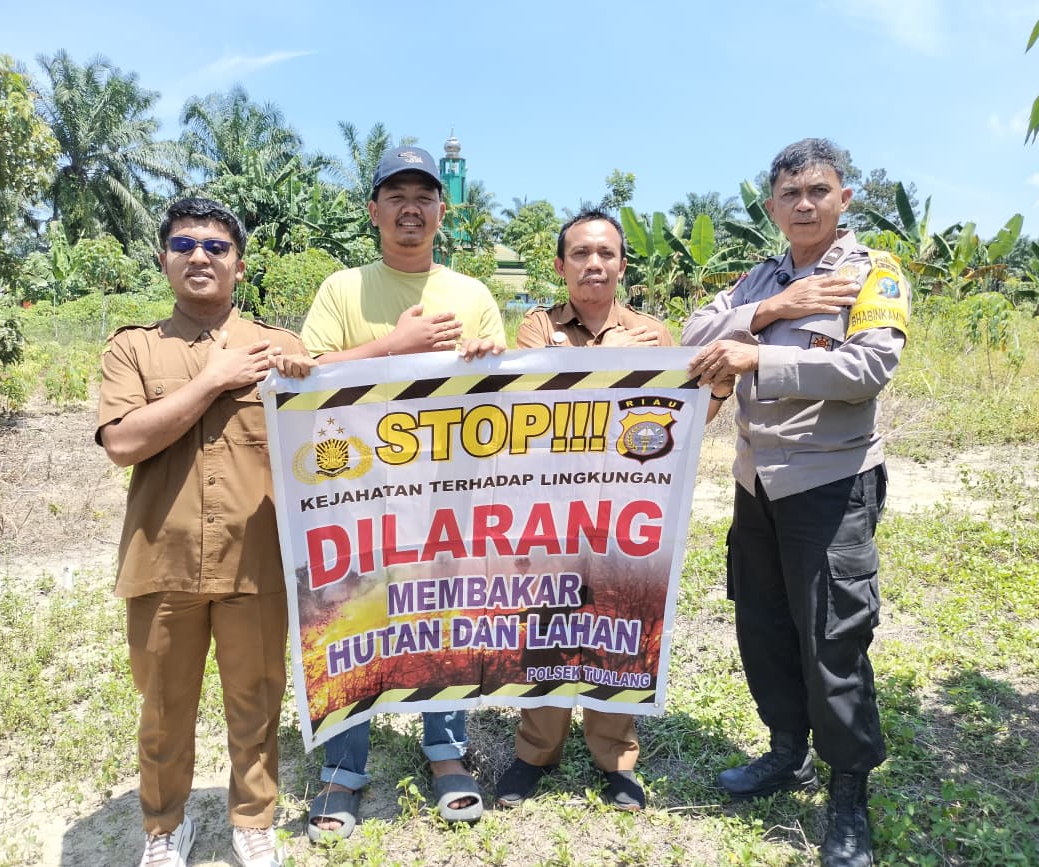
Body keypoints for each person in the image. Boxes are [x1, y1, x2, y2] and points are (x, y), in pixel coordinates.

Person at [682, 138, 910, 867]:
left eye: (818, 190)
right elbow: (693, 337)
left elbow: (867, 366)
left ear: (844, 197)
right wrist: (771, 310)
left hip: (830, 483)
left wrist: (758, 355)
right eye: (790, 194)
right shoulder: (760, 277)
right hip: (757, 484)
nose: (804, 204)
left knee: (833, 640)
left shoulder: (873, 272)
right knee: (766, 625)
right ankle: (788, 750)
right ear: (773, 206)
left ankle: (849, 796)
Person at [97, 197, 317, 867]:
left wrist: (314, 374)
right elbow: (123, 441)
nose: (200, 255)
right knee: (163, 711)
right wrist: (217, 379)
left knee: (256, 701)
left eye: (216, 246)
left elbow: (331, 432)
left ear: (239, 266)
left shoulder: (279, 346)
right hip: (162, 561)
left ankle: (253, 819)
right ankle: (164, 829)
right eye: (185, 243)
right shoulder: (132, 347)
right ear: (163, 258)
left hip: (255, 560)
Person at [298, 146, 506, 842]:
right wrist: (400, 343)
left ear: (443, 211)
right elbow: (307, 374)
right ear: (374, 211)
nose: (411, 207)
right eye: (396, 195)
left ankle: (445, 748)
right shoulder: (341, 288)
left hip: (446, 498)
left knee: (442, 616)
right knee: (349, 617)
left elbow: (506, 400)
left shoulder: (474, 294)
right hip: (352, 496)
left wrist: (484, 366)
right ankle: (344, 766)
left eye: (425, 195)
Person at [495, 208, 733, 812]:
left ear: (622, 264)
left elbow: (681, 423)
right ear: (560, 265)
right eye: (580, 254)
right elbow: (527, 414)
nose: (593, 264)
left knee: (619, 629)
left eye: (605, 254)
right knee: (547, 628)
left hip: (627, 512)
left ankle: (616, 758)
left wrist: (720, 391)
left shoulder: (655, 336)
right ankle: (534, 754)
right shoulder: (534, 328)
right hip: (548, 512)